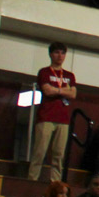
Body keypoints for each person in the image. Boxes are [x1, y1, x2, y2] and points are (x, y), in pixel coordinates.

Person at [30, 42, 77, 181]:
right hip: (46, 117)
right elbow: (47, 91)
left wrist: (56, 90)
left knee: (59, 155)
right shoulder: (44, 72)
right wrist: (64, 90)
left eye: (63, 53)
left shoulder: (70, 75)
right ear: (50, 54)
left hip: (63, 119)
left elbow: (73, 94)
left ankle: (55, 182)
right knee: (39, 152)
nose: (60, 56)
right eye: (57, 52)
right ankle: (32, 180)